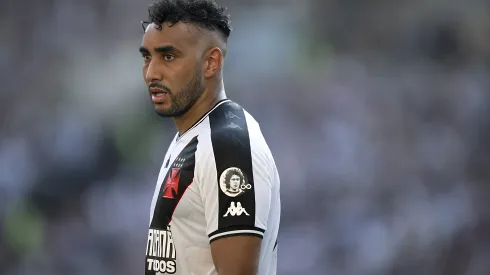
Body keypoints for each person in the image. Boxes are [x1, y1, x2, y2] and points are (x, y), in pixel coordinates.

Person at [139, 0, 281, 274]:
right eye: (147, 57)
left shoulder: (228, 146)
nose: (151, 73)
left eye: (168, 56)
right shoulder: (190, 136)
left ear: (211, 62)